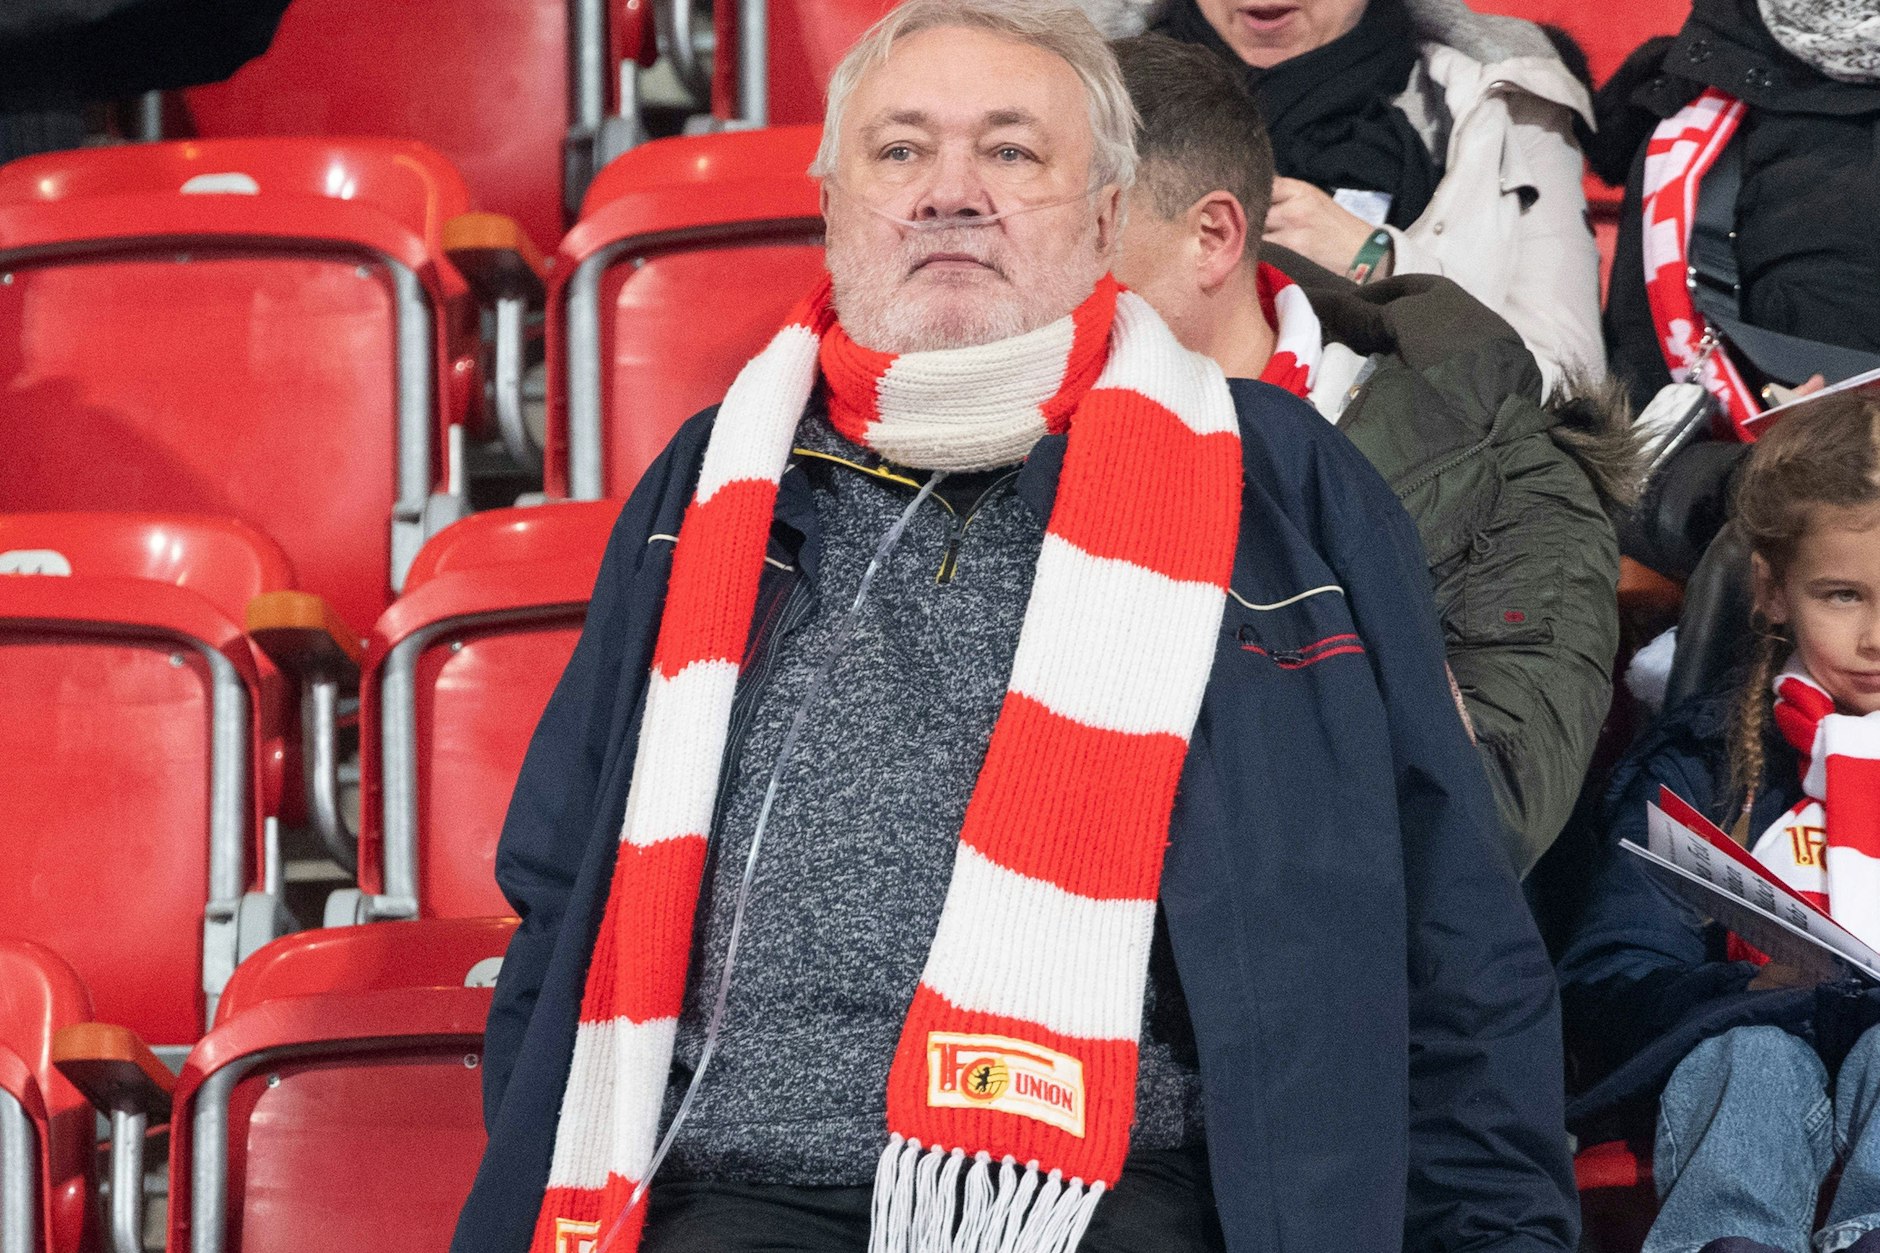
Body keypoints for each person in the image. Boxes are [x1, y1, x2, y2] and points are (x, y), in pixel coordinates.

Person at [450, 2, 1576, 1251]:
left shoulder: (1280, 484)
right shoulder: (713, 480)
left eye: (1009, 151)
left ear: (1103, 217)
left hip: (1127, 1187)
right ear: (831, 204)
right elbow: (564, 886)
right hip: (728, 1184)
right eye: (898, 151)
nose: (948, 192)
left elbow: (1447, 911)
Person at [1110, 33, 1627, 877]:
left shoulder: (1503, 466)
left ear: (1211, 236)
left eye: (1085, 231)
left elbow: (1486, 820)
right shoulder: (1012, 431)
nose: (1022, 271)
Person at [1557, 392, 1880, 1253]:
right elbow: (1610, 970)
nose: (1877, 636)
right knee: (1750, 1061)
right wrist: (1742, 991)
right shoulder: (1707, 762)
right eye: (1843, 595)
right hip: (1750, 1052)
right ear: (1772, 591)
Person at [1082, 0, 1602, 391]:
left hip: (1415, 494)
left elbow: (1574, 385)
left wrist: (1381, 260)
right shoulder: (1072, 90)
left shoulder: (1505, 100)